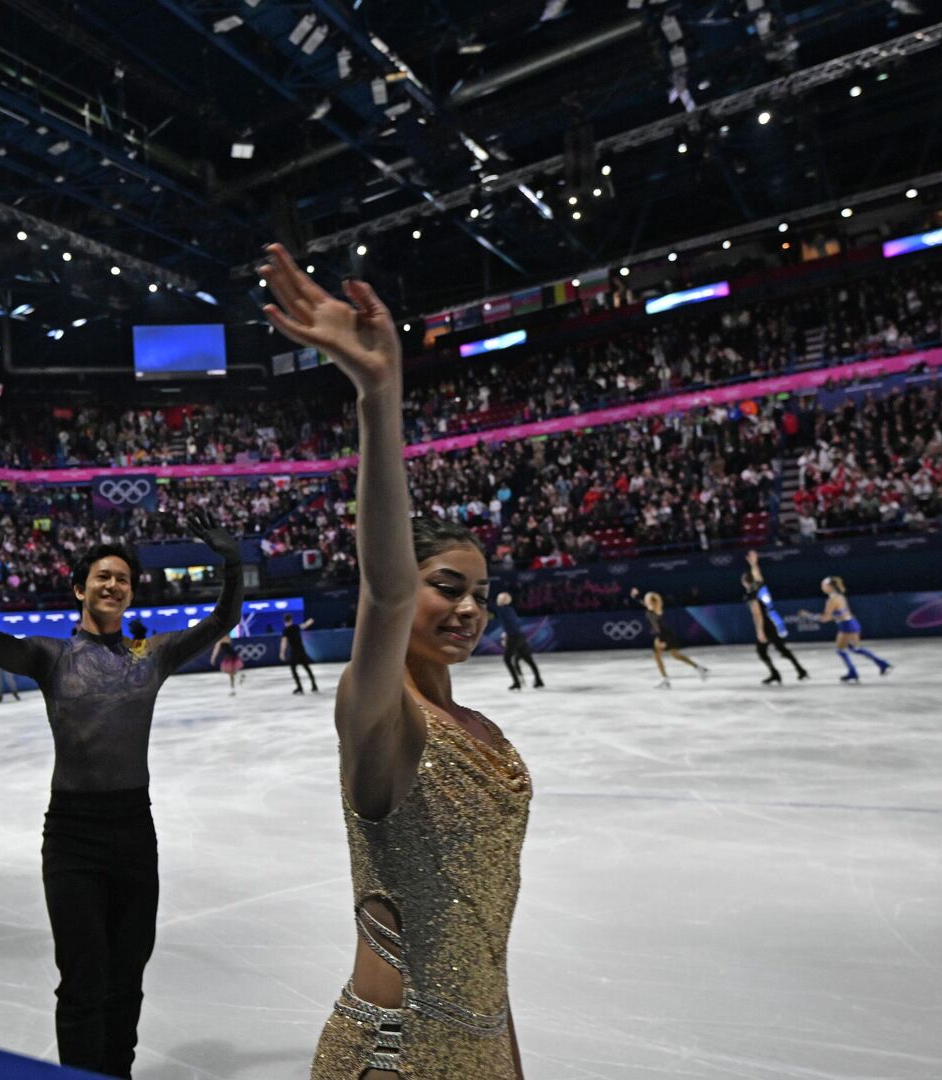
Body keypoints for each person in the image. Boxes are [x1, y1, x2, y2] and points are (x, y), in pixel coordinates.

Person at [256, 244, 530, 1079]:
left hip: (482, 1045)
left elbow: (485, 937)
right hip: (393, 1054)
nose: (470, 608)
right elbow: (383, 589)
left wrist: (506, 1056)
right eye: (447, 588)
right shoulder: (383, 719)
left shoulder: (481, 728)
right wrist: (380, 398)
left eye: (481, 593)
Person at [0, 505, 243, 1079]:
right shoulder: (51, 657)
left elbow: (223, 620)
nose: (114, 585)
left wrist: (233, 564)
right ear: (79, 589)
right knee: (83, 980)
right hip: (73, 838)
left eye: (123, 579)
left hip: (134, 834)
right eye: (103, 577)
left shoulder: (151, 656)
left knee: (126, 978)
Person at [743, 551, 809, 686]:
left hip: (765, 624)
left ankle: (776, 673)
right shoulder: (759, 586)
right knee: (781, 648)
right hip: (772, 620)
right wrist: (754, 564)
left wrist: (760, 631)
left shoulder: (750, 593)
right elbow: (758, 576)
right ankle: (799, 670)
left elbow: (757, 614)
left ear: (745, 582)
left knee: (762, 651)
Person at [817, 577, 893, 683]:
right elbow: (842, 613)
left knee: (841, 650)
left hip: (846, 625)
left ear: (830, 586)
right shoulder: (840, 597)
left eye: (823, 585)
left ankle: (854, 672)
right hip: (851, 623)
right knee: (854, 648)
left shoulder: (832, 600)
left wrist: (811, 617)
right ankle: (882, 664)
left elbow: (826, 618)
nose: (822, 587)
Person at [630, 589, 708, 689]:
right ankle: (699, 668)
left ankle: (666, 680)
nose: (645, 600)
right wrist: (636, 597)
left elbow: (657, 628)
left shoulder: (651, 612)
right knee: (676, 656)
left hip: (662, 636)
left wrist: (661, 640)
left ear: (650, 601)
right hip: (668, 634)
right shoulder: (656, 608)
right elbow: (644, 604)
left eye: (646, 599)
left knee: (657, 657)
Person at [493, 592, 543, 691]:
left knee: (507, 659)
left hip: (514, 638)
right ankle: (538, 680)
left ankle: (517, 682)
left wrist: (507, 636)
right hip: (520, 637)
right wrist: (506, 634)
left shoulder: (503, 610)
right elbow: (512, 625)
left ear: (503, 600)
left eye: (499, 598)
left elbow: (510, 626)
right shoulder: (510, 610)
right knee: (528, 659)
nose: (497, 600)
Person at [280, 615, 319, 694]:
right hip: (301, 651)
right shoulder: (296, 627)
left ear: (284, 621)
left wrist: (282, 653)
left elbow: (284, 642)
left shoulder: (285, 631)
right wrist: (311, 620)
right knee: (307, 668)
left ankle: (299, 687)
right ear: (291, 620)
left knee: (293, 670)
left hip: (294, 653)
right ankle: (314, 685)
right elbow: (305, 625)